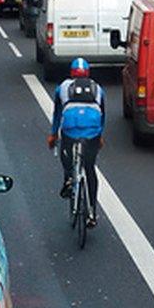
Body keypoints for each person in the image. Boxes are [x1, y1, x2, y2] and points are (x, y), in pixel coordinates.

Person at [47, 58, 105, 228]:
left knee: (66, 149)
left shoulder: (62, 87)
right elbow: (103, 114)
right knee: (90, 168)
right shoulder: (98, 89)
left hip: (70, 128)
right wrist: (99, 136)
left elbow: (58, 114)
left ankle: (68, 178)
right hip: (92, 129)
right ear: (88, 73)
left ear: (71, 73)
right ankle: (92, 212)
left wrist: (53, 135)